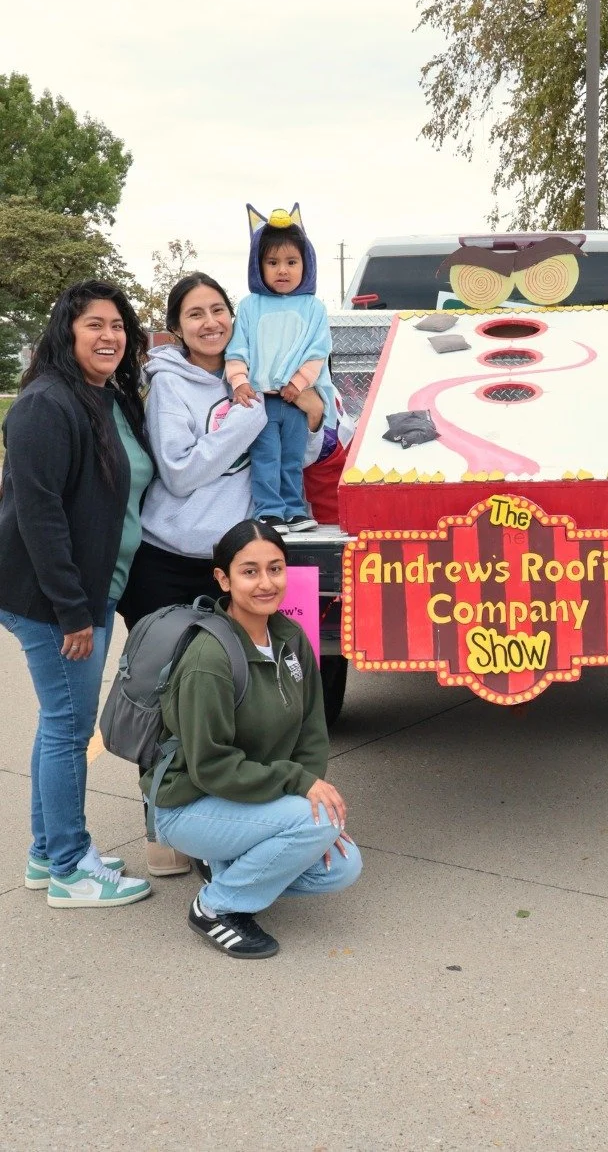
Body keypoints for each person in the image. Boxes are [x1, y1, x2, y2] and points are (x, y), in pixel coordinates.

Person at [119, 271, 328, 877]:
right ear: (177, 328)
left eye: (219, 310)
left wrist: (310, 411)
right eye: (194, 314)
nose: (210, 322)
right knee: (163, 697)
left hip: (232, 566)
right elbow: (180, 472)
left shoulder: (263, 367)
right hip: (167, 560)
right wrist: (249, 416)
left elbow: (300, 456)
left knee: (237, 697)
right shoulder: (169, 385)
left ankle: (226, 826)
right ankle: (162, 820)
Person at [0, 281, 153, 908]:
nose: (108, 336)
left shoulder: (104, 398)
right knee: (68, 729)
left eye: (117, 325)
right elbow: (39, 517)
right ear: (67, 331)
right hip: (56, 603)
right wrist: (73, 612)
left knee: (59, 723)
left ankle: (47, 853)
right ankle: (70, 868)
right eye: (94, 324)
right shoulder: (45, 404)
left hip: (88, 594)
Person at [146, 519, 361, 959]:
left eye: (275, 569)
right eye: (249, 571)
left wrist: (307, 803)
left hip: (248, 798)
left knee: (342, 867)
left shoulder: (290, 638)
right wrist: (302, 797)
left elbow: (312, 734)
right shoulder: (209, 657)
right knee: (320, 823)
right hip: (190, 803)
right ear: (223, 579)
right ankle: (215, 907)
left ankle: (227, 867)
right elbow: (211, 765)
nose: (266, 583)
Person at [225, 204, 333, 534]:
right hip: (263, 401)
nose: (282, 270)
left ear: (306, 264)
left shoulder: (314, 308)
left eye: (291, 262)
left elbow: (318, 352)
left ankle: (295, 510)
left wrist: (299, 383)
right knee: (266, 456)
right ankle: (269, 511)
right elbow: (238, 349)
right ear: (258, 266)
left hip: (297, 399)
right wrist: (239, 381)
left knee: (293, 457)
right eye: (272, 263)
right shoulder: (249, 306)